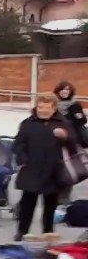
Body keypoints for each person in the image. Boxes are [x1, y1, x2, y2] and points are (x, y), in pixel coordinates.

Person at [12, 94, 77, 243]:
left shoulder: (63, 123)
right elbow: (18, 145)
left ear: (54, 108)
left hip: (54, 169)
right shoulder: (28, 123)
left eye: (47, 108)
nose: (43, 110)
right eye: (40, 107)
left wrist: (65, 137)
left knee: (50, 203)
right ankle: (22, 231)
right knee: (27, 202)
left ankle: (48, 230)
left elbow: (73, 144)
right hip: (31, 168)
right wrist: (23, 160)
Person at [54, 81, 86, 204]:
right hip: (56, 141)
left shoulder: (75, 104)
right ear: (58, 91)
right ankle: (55, 194)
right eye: (62, 89)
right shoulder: (53, 104)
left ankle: (64, 196)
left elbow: (82, 120)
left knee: (70, 169)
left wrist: (73, 117)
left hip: (71, 141)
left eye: (67, 90)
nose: (65, 92)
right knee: (56, 168)